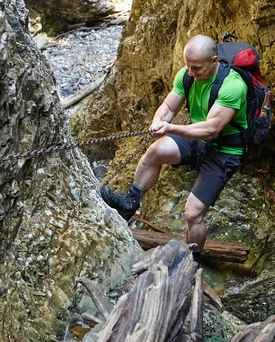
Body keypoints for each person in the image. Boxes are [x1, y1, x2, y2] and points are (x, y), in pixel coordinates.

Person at [99, 34, 247, 263]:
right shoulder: (187, 74)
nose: (190, 73)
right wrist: (159, 122)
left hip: (224, 149)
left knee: (193, 214)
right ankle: (130, 202)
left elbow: (210, 130)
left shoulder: (233, 86)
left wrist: (170, 127)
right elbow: (169, 105)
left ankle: (192, 261)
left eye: (196, 68)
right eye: (188, 66)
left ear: (214, 61)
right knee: (156, 151)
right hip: (196, 138)